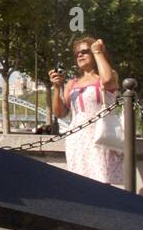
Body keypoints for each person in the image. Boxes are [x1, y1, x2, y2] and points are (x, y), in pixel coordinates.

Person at [49, 35, 123, 186]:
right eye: (77, 54)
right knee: (79, 185)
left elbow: (108, 81)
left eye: (84, 51)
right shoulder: (72, 83)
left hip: (101, 137)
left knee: (102, 182)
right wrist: (57, 87)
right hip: (77, 140)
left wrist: (98, 52)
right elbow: (60, 113)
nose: (80, 55)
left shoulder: (108, 75)